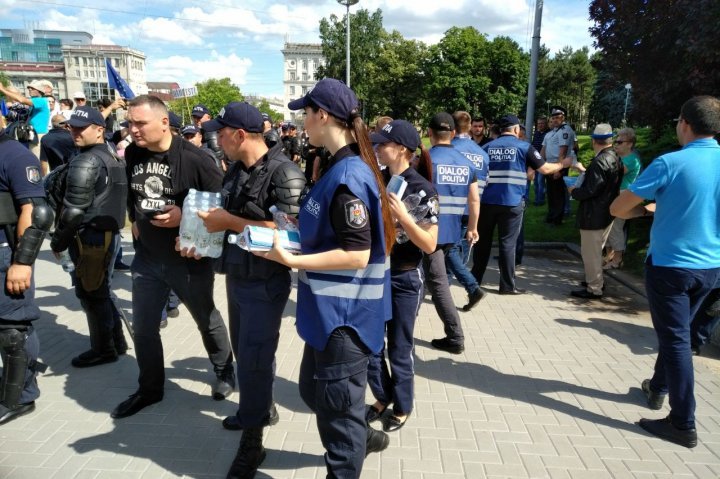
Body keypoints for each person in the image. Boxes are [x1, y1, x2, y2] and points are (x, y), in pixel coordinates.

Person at [261, 78, 393, 478]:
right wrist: (294, 229)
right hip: (329, 316)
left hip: (346, 321)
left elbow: (356, 253)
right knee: (311, 393)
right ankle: (359, 434)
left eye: (305, 113)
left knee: (337, 426)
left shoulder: (349, 174)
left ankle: (352, 443)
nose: (302, 122)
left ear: (323, 115)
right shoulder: (341, 166)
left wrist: (291, 259)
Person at [181, 102, 305, 478]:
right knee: (247, 354)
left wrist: (229, 222)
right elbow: (224, 214)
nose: (213, 138)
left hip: (265, 282)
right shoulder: (237, 168)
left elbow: (291, 235)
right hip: (238, 275)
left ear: (239, 135)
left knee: (252, 359)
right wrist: (197, 236)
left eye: (220, 132)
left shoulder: (286, 174)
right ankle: (260, 408)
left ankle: (254, 441)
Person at [112, 95, 235, 419]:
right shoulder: (135, 153)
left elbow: (222, 204)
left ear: (164, 122)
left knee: (205, 319)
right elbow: (134, 192)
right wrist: (135, 221)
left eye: (140, 123)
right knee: (144, 327)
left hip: (188, 260)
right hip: (148, 260)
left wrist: (186, 215)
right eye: (130, 123)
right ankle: (150, 389)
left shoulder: (197, 159)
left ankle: (225, 371)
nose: (133, 129)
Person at [610, 95, 720, 448]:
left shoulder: (671, 162)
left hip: (671, 265)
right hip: (712, 267)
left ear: (685, 124)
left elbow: (620, 207)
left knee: (676, 340)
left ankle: (682, 422)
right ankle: (657, 387)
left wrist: (647, 212)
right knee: (681, 332)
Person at [366, 119, 439, 433]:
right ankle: (383, 396)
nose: (377, 148)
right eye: (378, 143)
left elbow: (430, 243)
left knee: (399, 347)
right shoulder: (376, 179)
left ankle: (403, 406)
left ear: (403, 150)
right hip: (373, 275)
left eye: (383, 144)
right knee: (370, 345)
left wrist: (404, 218)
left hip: (405, 278)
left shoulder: (423, 188)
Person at [49, 106, 129, 367]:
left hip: (91, 237)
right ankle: (115, 342)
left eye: (81, 128)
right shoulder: (109, 153)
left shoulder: (87, 159)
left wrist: (58, 240)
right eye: (72, 127)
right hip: (106, 234)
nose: (74, 132)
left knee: (91, 294)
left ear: (99, 129)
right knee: (100, 292)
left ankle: (104, 349)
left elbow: (73, 211)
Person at [473, 115, 570, 294]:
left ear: (500, 130)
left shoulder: (485, 148)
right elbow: (546, 169)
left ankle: (474, 282)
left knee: (482, 244)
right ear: (516, 130)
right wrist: (563, 163)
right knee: (508, 244)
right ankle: (507, 286)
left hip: (486, 203)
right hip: (512, 203)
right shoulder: (524, 147)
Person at [0, 126, 53, 425]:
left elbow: (35, 213)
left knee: (12, 328)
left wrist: (23, 262)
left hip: (7, 253)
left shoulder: (15, 156)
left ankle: (20, 396)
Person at [425, 112, 478, 353]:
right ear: (454, 134)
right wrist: (473, 227)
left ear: (429, 133)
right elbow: (474, 200)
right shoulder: (467, 162)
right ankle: (454, 336)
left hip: (426, 231)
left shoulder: (426, 160)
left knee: (435, 284)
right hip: (452, 231)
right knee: (437, 282)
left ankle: (455, 337)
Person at [568, 124, 623, 300]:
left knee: (590, 253)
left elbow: (590, 190)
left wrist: (573, 191)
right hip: (606, 211)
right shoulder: (614, 157)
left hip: (594, 213)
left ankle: (594, 288)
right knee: (596, 250)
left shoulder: (600, 161)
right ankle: (595, 280)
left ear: (593, 141)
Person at [449, 111, 488, 311]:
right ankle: (446, 286)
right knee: (458, 250)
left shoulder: (450, 149)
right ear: (470, 125)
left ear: (452, 128)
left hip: (452, 208)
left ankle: (472, 287)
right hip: (472, 208)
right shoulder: (482, 153)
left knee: (449, 250)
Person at [604, 127, 642, 269]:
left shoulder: (632, 159)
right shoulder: (619, 157)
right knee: (607, 226)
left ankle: (617, 259)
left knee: (616, 228)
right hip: (614, 193)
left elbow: (614, 173)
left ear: (629, 144)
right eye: (615, 141)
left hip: (623, 195)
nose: (616, 144)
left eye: (619, 142)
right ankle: (609, 257)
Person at [541, 106, 574, 225]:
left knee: (558, 194)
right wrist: (539, 164)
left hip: (558, 166)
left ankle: (557, 219)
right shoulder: (551, 133)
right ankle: (551, 215)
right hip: (549, 165)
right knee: (550, 193)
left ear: (563, 117)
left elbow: (563, 152)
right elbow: (543, 150)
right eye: (553, 117)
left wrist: (558, 170)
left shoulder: (565, 130)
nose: (555, 120)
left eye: (557, 117)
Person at [0, 80, 51, 157]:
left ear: (40, 91)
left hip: (39, 135)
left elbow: (21, 99)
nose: (29, 89)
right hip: (32, 135)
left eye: (32, 88)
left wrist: (2, 89)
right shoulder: (35, 101)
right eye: (29, 88)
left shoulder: (41, 100)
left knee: (36, 159)